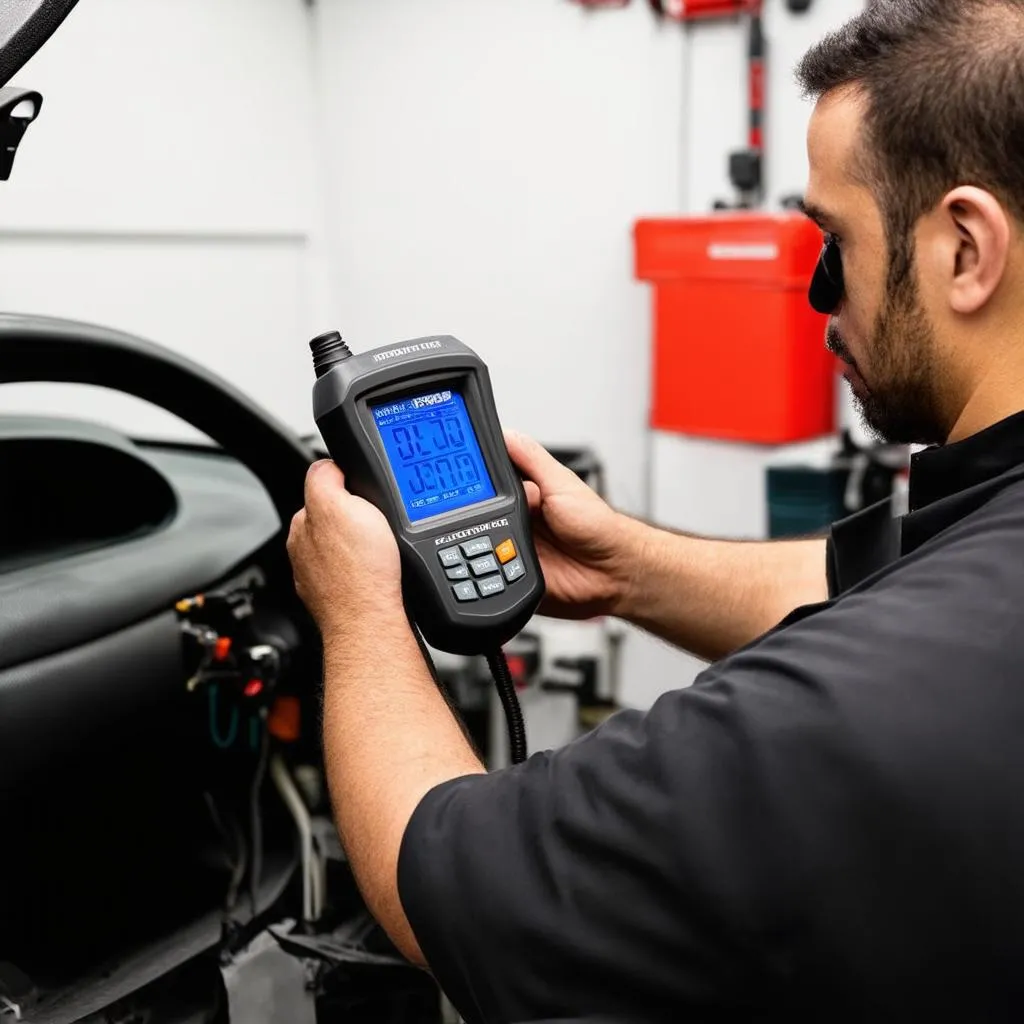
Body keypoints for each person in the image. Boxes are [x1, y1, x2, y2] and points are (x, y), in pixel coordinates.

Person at [287, 2, 1024, 1020]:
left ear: (962, 249)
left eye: (832, 240)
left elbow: (448, 884)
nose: (816, 293)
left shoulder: (826, 720)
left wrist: (357, 614)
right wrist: (627, 568)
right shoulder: (981, 556)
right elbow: (874, 586)